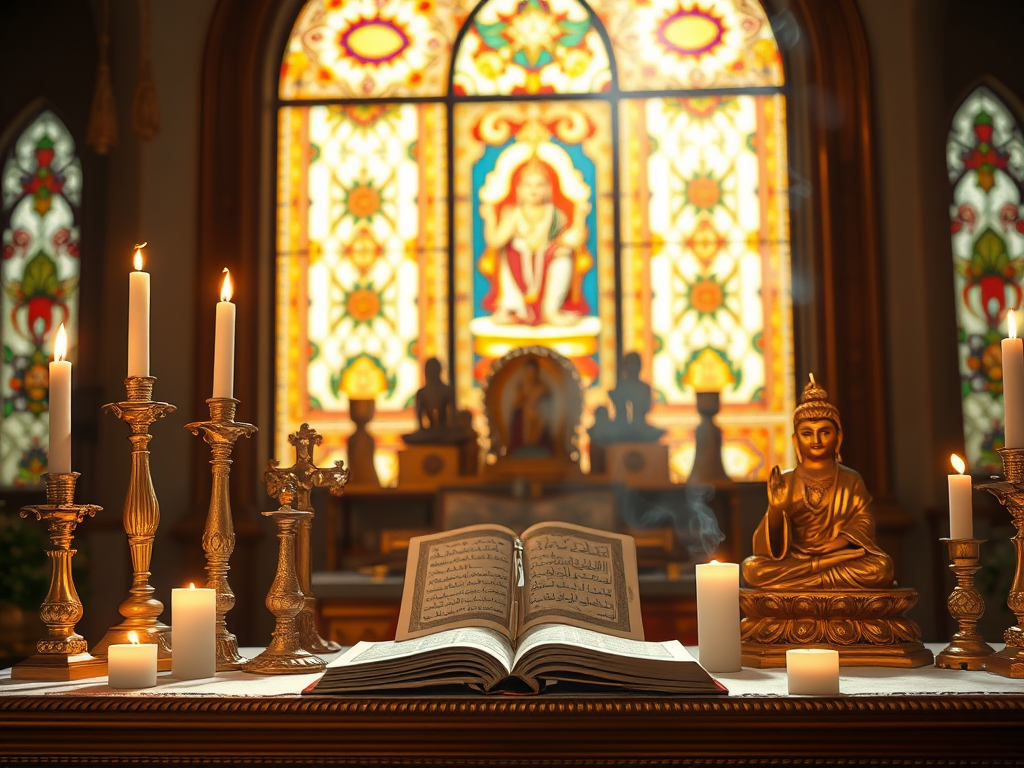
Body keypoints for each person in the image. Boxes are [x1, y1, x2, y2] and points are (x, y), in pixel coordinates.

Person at [741, 375, 895, 590]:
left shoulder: (851, 479)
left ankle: (810, 581)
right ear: (796, 440)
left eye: (824, 432)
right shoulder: (786, 481)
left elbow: (864, 522)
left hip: (839, 558)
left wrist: (837, 544)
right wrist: (776, 509)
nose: (816, 440)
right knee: (752, 569)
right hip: (798, 560)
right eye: (807, 433)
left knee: (880, 568)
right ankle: (818, 573)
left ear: (838, 437)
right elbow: (767, 550)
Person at [479, 156, 590, 327]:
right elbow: (496, 242)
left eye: (539, 185)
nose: (533, 190)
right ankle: (512, 308)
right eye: (528, 185)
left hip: (545, 263)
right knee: (509, 253)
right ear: (518, 189)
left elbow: (570, 239)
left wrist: (580, 216)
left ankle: (551, 310)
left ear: (548, 189)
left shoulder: (555, 215)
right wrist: (490, 218)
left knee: (563, 256)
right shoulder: (513, 215)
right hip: (517, 264)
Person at [508, 358, 554, 456]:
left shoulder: (542, 389)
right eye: (528, 372)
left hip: (539, 426)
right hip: (523, 430)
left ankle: (533, 444)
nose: (530, 376)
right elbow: (517, 406)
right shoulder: (520, 389)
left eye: (533, 373)